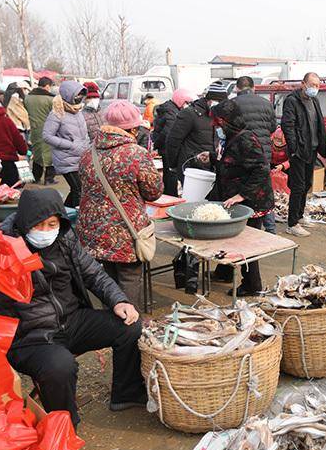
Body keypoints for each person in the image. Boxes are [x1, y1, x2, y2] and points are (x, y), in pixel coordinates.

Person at [0, 188, 144, 426]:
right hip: (28, 336)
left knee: (130, 326)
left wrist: (119, 300)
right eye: (38, 225)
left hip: (70, 321)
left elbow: (93, 273)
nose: (45, 231)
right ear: (24, 222)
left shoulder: (63, 237)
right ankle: (64, 428)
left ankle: (126, 394)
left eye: (51, 224)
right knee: (60, 365)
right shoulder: (0, 244)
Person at [77, 101, 163, 305]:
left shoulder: (89, 152)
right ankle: (128, 328)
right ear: (133, 129)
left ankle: (112, 322)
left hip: (94, 230)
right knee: (129, 278)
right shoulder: (136, 154)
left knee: (108, 277)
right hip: (126, 232)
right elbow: (154, 192)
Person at [196, 100, 274, 296]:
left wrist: (242, 195)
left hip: (252, 201)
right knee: (229, 237)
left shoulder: (246, 140)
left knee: (246, 244)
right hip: (234, 196)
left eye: (218, 122)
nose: (215, 126)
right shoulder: (232, 138)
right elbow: (233, 162)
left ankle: (252, 285)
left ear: (228, 122)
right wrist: (213, 157)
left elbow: (261, 170)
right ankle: (224, 271)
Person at [281, 72, 326, 237]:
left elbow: (318, 124)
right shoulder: (292, 101)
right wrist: (294, 149)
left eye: (317, 85)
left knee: (307, 184)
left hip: (312, 149)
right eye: (312, 85)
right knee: (297, 186)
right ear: (303, 84)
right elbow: (288, 126)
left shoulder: (314, 100)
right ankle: (292, 223)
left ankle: (300, 216)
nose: (315, 88)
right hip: (299, 151)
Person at [231, 76, 278, 233]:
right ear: (254, 88)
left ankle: (243, 228)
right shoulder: (266, 103)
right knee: (264, 191)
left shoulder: (233, 105)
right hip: (264, 154)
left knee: (245, 192)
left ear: (237, 89)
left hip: (242, 156)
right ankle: (271, 230)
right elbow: (272, 127)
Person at [165, 84, 227, 184]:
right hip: (192, 167)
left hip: (212, 166)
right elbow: (173, 140)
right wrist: (173, 164)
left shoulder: (220, 115)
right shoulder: (190, 114)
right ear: (209, 100)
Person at [43, 81, 90, 208]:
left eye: (81, 95)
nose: (79, 98)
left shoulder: (78, 111)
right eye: (77, 95)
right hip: (66, 158)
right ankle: (71, 217)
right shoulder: (56, 113)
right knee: (78, 189)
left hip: (81, 156)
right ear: (69, 95)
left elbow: (83, 133)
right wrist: (70, 145)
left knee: (79, 190)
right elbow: (47, 136)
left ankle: (64, 214)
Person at [25, 76, 57, 184]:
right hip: (50, 130)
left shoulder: (28, 98)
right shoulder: (51, 99)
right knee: (50, 155)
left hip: (34, 130)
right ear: (47, 86)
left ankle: (36, 177)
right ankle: (49, 178)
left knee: (37, 154)